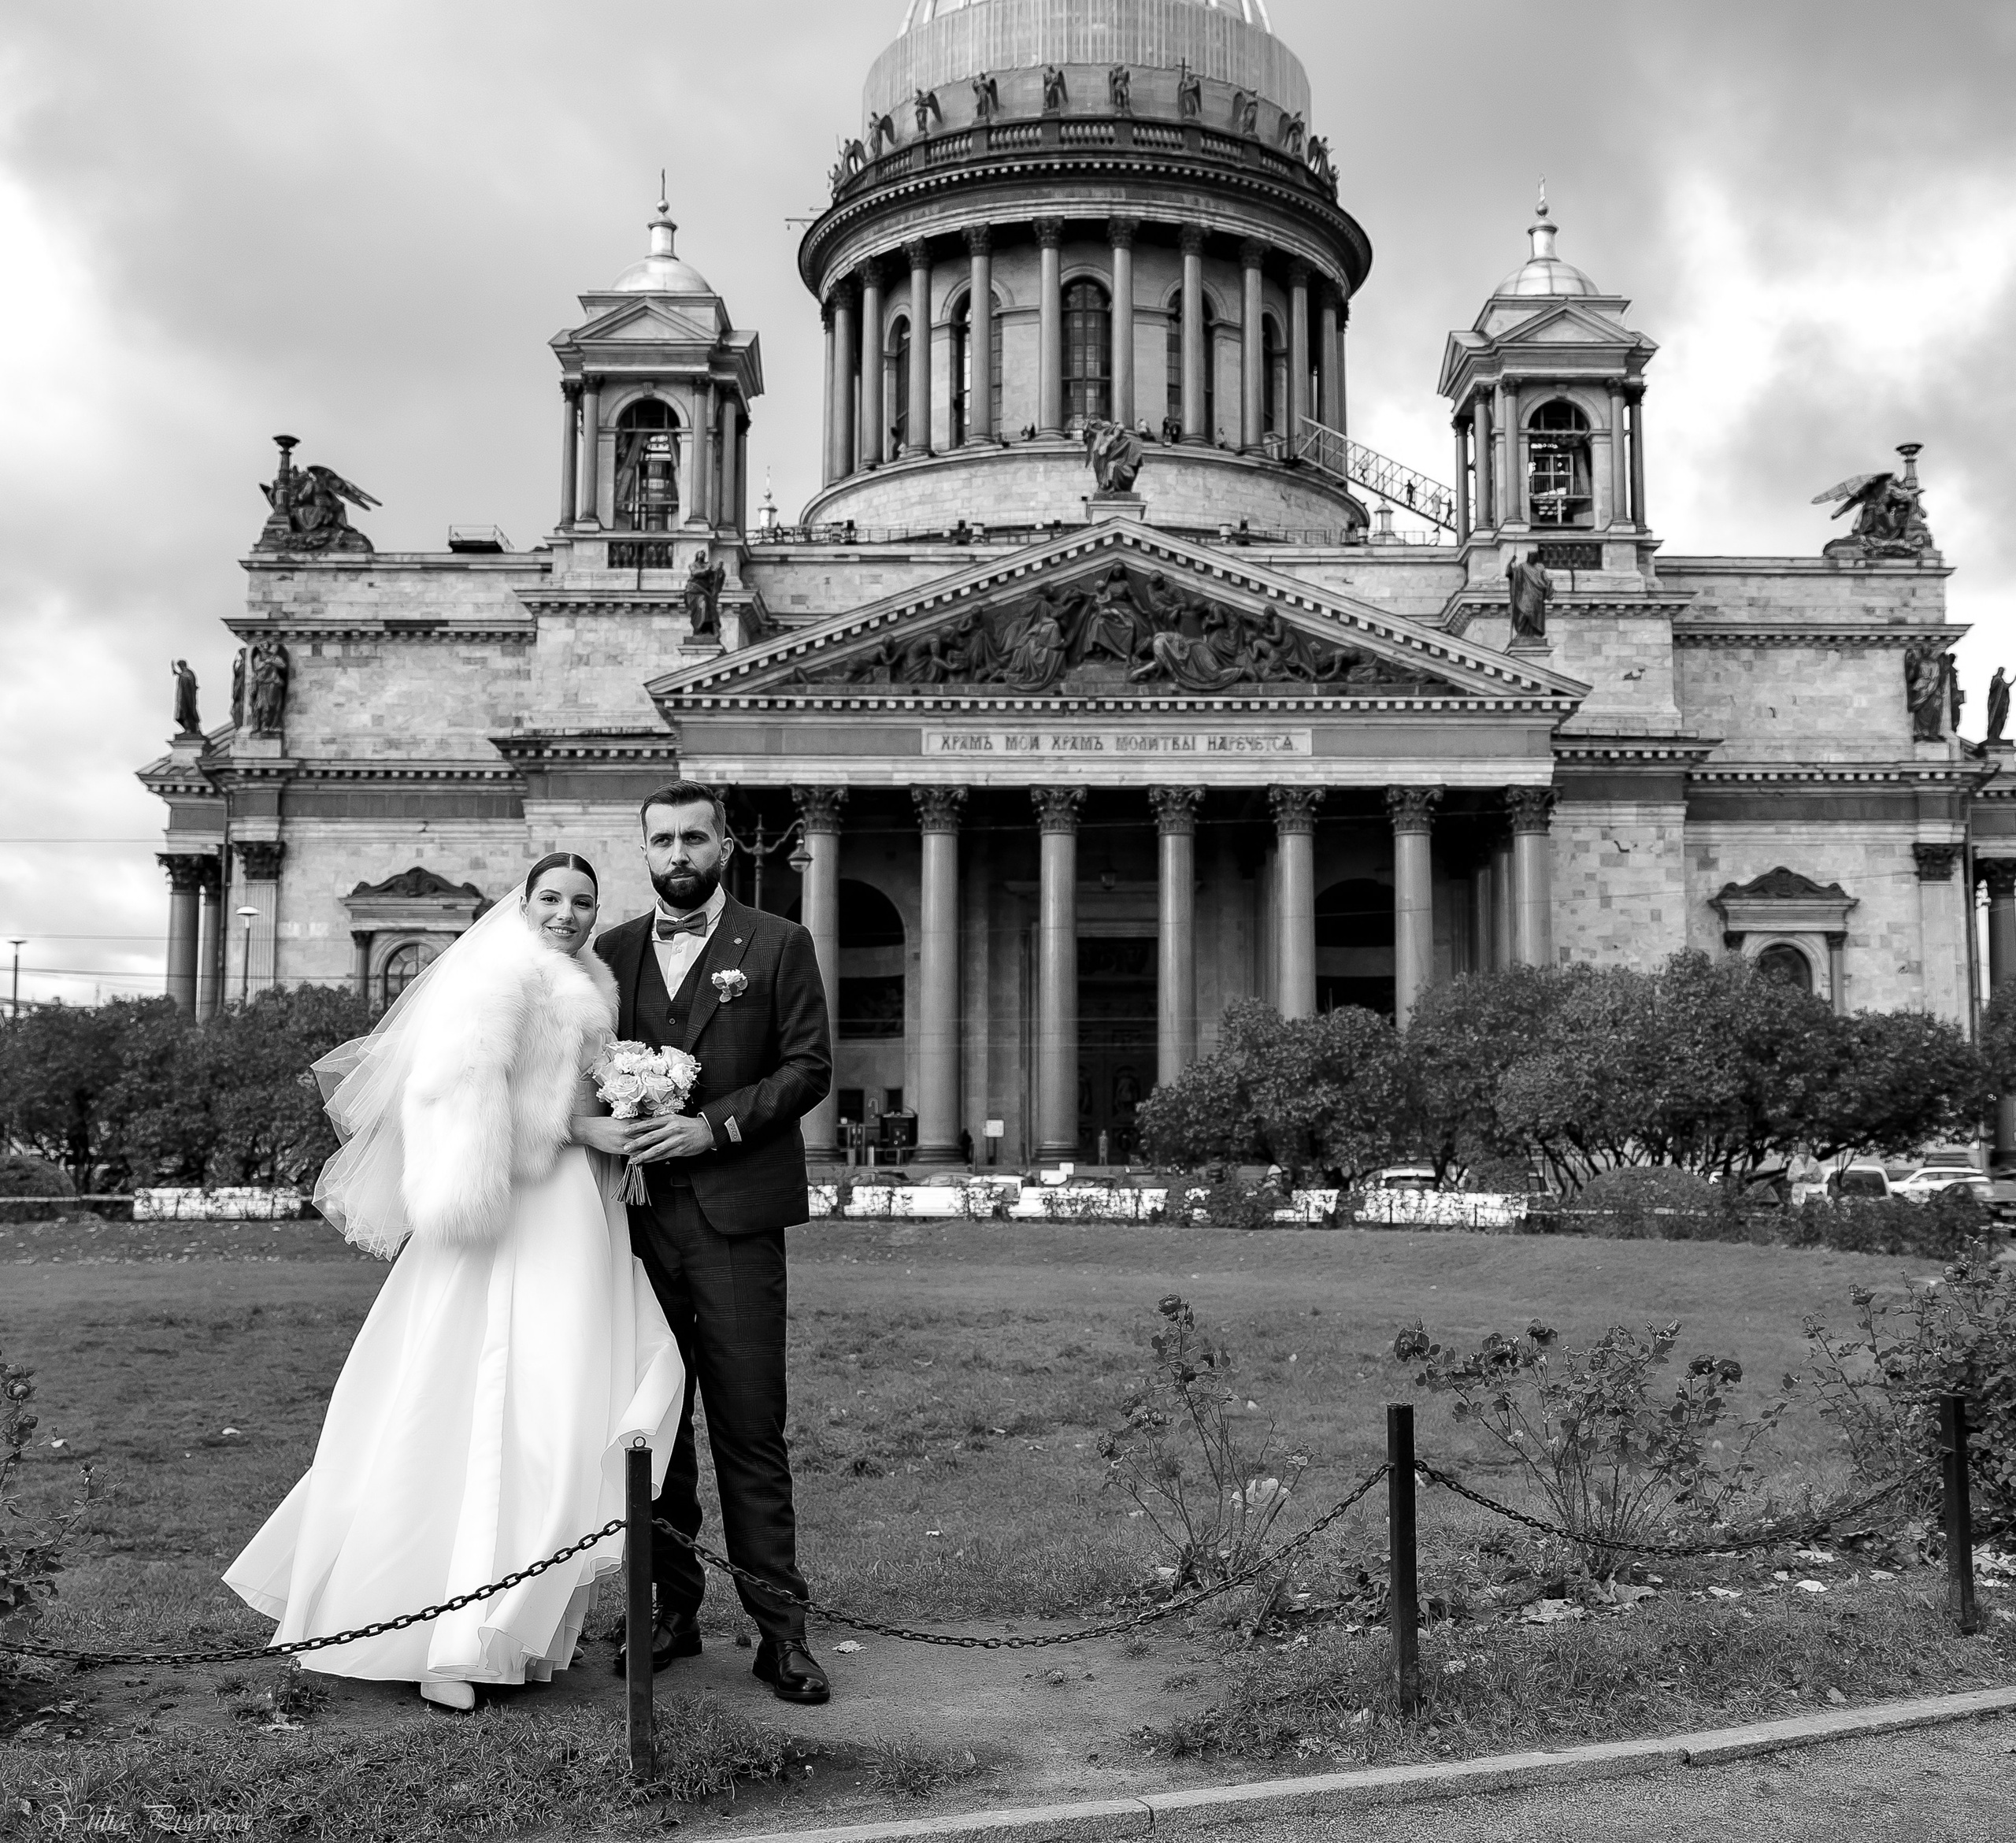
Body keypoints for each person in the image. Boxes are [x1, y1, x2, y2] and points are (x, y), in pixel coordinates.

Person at [224, 854, 684, 1711]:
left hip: (577, 1213)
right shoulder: (498, 977)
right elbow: (465, 1105)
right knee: (491, 1401)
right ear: (524, 901)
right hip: (512, 1216)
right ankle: (447, 1637)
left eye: (583, 901)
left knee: (561, 1404)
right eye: (551, 897)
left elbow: (570, 1087)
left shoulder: (587, 979)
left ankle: (517, 1635)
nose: (568, 913)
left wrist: (630, 1099)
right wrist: (587, 1125)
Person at [594, 783, 834, 1704]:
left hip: (735, 1221)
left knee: (747, 1430)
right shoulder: (608, 955)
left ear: (726, 845)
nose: (678, 854)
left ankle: (781, 1634)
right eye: (662, 840)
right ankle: (669, 1611)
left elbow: (807, 1067)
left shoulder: (778, 944)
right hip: (632, 1225)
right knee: (649, 1431)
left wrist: (715, 1129)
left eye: (695, 837)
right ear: (644, 850)